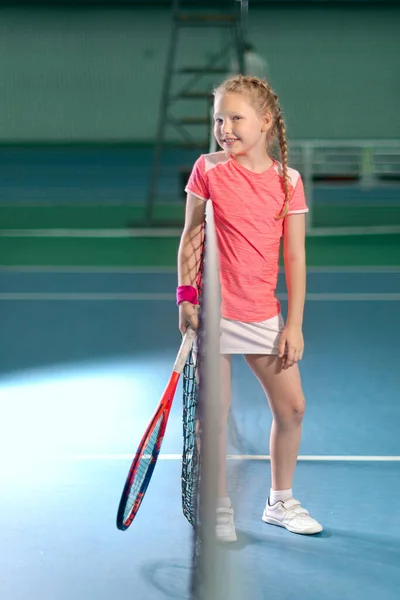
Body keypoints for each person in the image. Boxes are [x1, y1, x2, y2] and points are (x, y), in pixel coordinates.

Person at [176, 75, 322, 543]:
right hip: (214, 314)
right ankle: (218, 505)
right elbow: (192, 237)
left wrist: (293, 324)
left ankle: (279, 502)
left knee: (293, 408)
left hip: (262, 314)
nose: (225, 128)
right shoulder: (209, 169)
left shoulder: (288, 182)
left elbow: (294, 257)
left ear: (266, 121)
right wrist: (186, 296)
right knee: (212, 417)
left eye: (236, 118)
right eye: (219, 118)